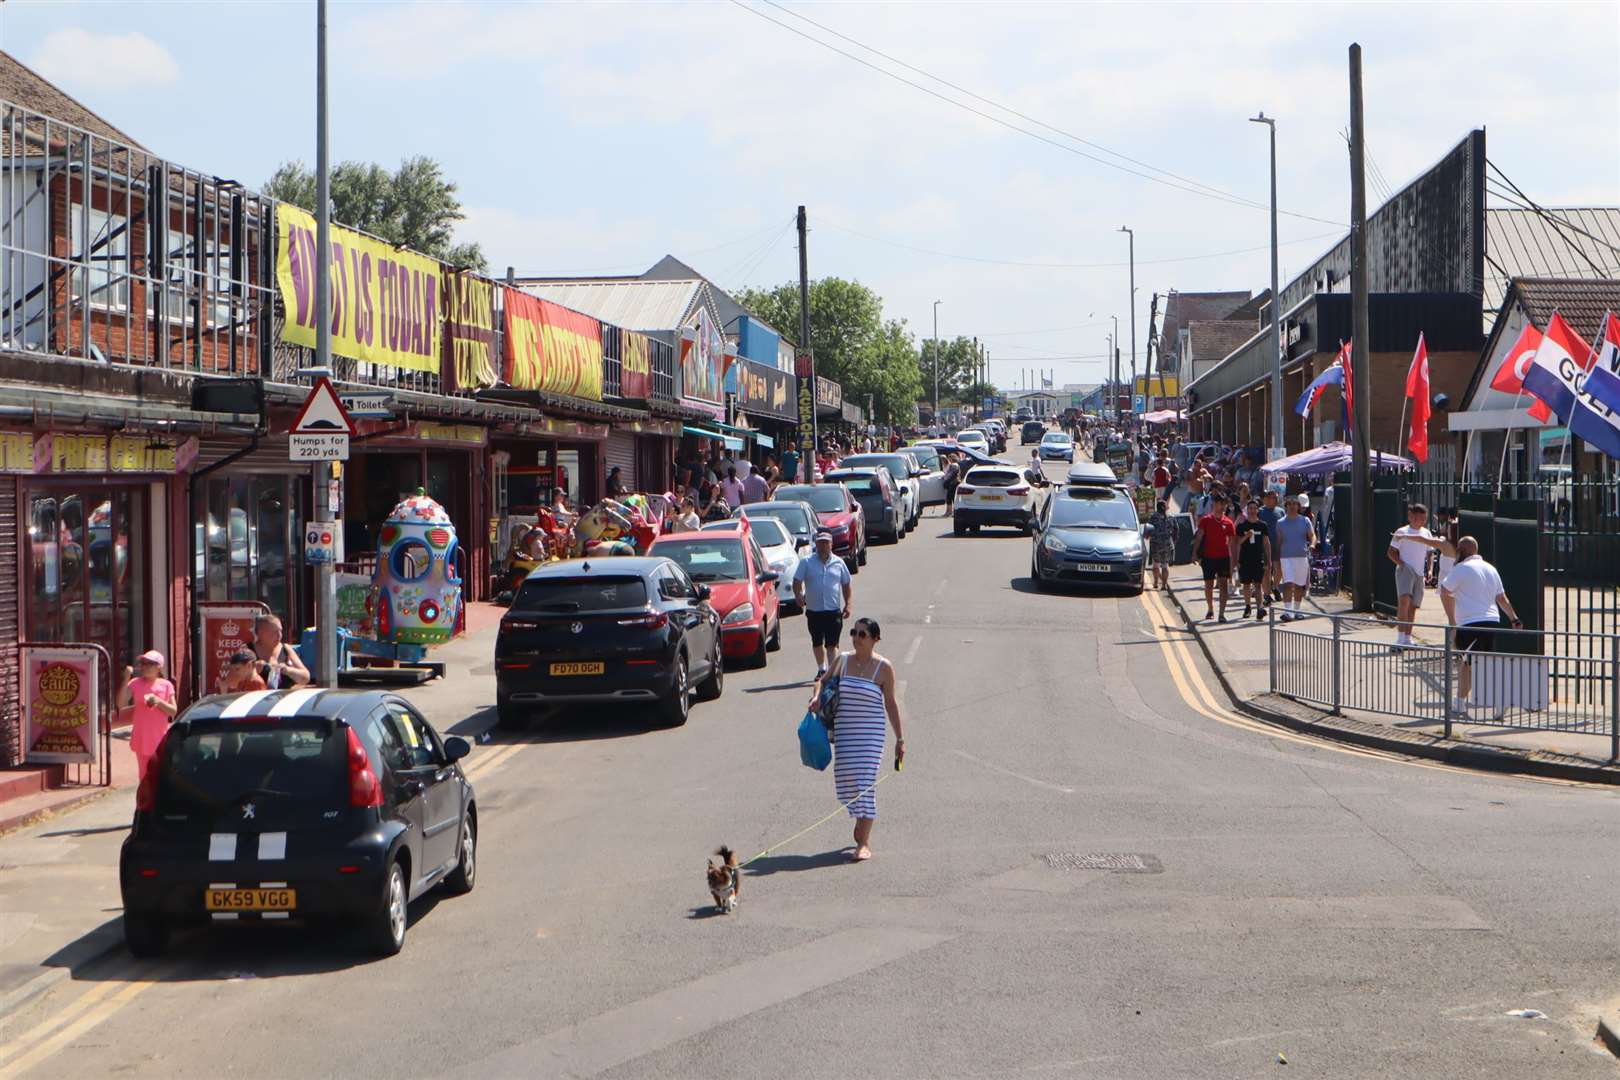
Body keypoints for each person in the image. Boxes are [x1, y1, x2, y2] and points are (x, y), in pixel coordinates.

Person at [808, 617, 903, 862]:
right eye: (854, 633)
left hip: (871, 736)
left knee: (866, 784)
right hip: (845, 733)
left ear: (874, 639)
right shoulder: (843, 661)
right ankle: (860, 821)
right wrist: (816, 697)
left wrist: (900, 739)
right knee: (848, 781)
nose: (856, 638)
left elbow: (891, 704)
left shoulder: (884, 668)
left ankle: (863, 842)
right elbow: (823, 680)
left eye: (862, 634)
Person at [1439, 536, 1522, 717]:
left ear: (1460, 552)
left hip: (1470, 624)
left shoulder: (1460, 569)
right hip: (1492, 622)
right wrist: (1514, 619)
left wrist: (1452, 621)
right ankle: (1460, 702)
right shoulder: (1491, 569)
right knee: (1472, 663)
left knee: (1470, 665)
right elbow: (1501, 598)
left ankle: (1494, 699)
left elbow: (1445, 591)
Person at [792, 532, 853, 678]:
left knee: (832, 644)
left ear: (831, 544)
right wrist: (798, 595)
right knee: (817, 641)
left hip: (833, 611)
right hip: (814, 611)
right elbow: (796, 581)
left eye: (826, 543)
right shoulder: (806, 562)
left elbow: (846, 584)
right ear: (816, 545)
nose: (823, 546)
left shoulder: (839, 563)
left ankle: (831, 671)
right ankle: (822, 668)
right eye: (820, 543)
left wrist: (848, 604)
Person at [119, 650, 177, 779]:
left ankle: (160, 799)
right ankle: (146, 799)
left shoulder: (166, 685)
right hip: (142, 738)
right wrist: (126, 679)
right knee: (144, 775)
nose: (144, 666)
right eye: (143, 663)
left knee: (160, 774)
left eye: (149, 663)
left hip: (160, 739)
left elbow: (173, 711)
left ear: (158, 667)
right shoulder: (135, 683)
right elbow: (120, 704)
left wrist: (159, 701)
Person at [1388, 503, 1436, 649]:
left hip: (1419, 573)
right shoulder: (1401, 531)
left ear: (1425, 519)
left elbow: (1430, 552)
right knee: (1404, 602)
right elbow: (1391, 552)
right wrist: (1403, 564)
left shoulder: (1426, 533)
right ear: (1409, 517)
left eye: (1421, 517)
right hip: (1405, 570)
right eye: (1414, 516)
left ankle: (1408, 638)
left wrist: (1429, 570)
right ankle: (1400, 638)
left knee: (1413, 606)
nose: (1417, 520)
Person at [1274, 495, 1316, 621]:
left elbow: (1312, 535)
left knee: (1299, 585)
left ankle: (1297, 611)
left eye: (1295, 504)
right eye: (1290, 504)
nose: (1292, 507)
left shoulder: (1305, 521)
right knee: (1288, 584)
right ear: (1286, 507)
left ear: (1298, 506)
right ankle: (1288, 612)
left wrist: (1313, 544)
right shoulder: (1280, 523)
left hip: (1302, 557)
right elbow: (1279, 541)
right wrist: (1276, 559)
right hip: (1286, 558)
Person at [1195, 497, 1237, 622]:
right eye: (1219, 504)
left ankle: (1222, 614)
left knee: (1223, 585)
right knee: (1209, 585)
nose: (1221, 506)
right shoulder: (1205, 520)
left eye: (1223, 504)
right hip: (1208, 557)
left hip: (1223, 558)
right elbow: (1199, 536)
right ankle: (1210, 609)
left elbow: (1232, 543)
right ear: (1214, 505)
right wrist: (1194, 553)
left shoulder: (1229, 523)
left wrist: (1234, 560)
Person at [1234, 500, 1272, 621]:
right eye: (1250, 508)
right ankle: (1247, 606)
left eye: (1254, 508)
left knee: (1258, 584)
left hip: (1258, 558)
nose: (1252, 510)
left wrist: (1269, 559)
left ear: (1257, 510)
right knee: (1246, 584)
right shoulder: (1241, 526)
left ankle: (1260, 608)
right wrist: (1246, 536)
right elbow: (1237, 543)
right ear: (1247, 510)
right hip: (1245, 559)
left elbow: (1266, 543)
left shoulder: (1262, 525)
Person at [253, 613, 310, 689]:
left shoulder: (286, 649)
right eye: (274, 632)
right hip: (255, 698)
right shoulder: (248, 651)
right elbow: (233, 681)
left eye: (280, 631)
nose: (279, 635)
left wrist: (288, 670)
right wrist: (253, 671)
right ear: (260, 633)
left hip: (283, 698)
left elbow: (305, 677)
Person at [1257, 489, 1284, 604]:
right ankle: (1267, 594)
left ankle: (1275, 587)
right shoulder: (1260, 511)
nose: (1272, 499)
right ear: (1265, 499)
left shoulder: (1281, 511)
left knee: (1280, 569)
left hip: (1278, 544)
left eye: (1274, 497)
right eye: (1269, 497)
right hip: (1264, 545)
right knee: (1267, 570)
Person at [1147, 499, 1174, 591]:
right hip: (1167, 544)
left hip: (1155, 544)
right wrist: (1173, 540)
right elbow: (1176, 530)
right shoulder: (1170, 517)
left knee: (1156, 564)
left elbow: (1148, 529)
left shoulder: (1153, 517)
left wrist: (1148, 536)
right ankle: (1164, 585)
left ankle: (1155, 582)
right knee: (1165, 565)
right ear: (1164, 507)